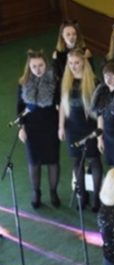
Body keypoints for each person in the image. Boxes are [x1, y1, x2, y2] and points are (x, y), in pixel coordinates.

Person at [58, 49, 102, 212]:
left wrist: (99, 134)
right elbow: (62, 106)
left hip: (89, 126)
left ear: (84, 62)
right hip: (72, 127)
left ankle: (97, 197)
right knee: (77, 161)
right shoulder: (66, 81)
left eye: (77, 62)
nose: (73, 66)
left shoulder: (94, 81)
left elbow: (100, 111)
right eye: (70, 63)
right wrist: (61, 126)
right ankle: (82, 195)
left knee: (94, 160)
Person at [16, 49, 60, 209]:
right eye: (34, 66)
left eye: (40, 65)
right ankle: (36, 192)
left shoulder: (55, 81)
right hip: (31, 128)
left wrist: (61, 126)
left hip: (51, 125)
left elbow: (60, 104)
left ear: (46, 64)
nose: (38, 69)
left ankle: (53, 192)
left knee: (53, 161)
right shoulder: (23, 83)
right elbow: (19, 108)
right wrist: (21, 128)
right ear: (29, 67)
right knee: (34, 162)